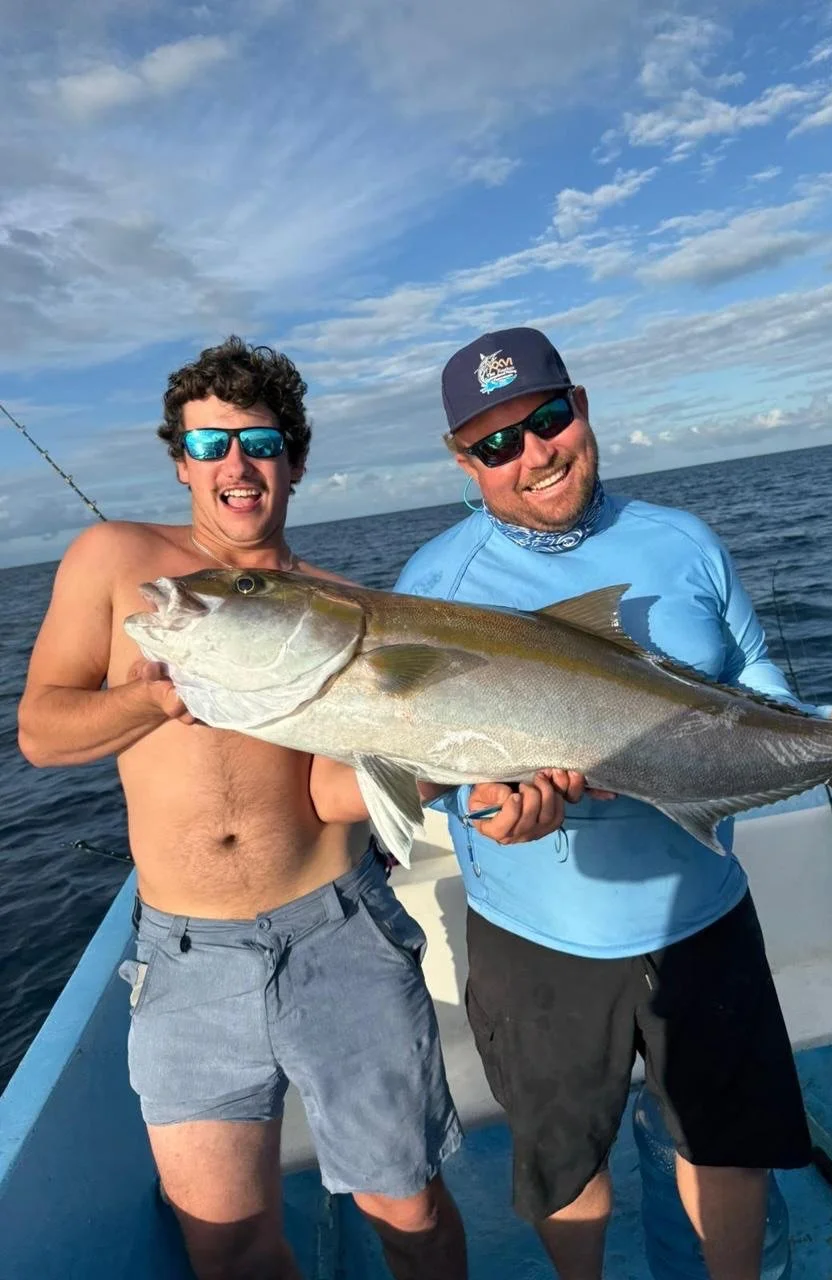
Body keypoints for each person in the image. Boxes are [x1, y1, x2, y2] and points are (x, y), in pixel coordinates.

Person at [16, 335, 572, 1280]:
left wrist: (453, 769)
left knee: (410, 1208)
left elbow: (332, 792)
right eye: (208, 446)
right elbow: (41, 730)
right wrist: (154, 697)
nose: (236, 465)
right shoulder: (119, 565)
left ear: (296, 460)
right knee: (227, 1243)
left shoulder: (345, 607)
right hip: (186, 959)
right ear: (180, 462)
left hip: (338, 931)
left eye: (260, 442)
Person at [389, 327, 832, 1280]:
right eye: (496, 444)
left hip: (700, 910)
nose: (534, 454)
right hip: (538, 935)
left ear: (582, 406)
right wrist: (486, 810)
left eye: (548, 420)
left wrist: (826, 734)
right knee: (564, 1164)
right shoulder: (434, 593)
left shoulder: (682, 541)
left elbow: (755, 688)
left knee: (723, 1145)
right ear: (463, 463)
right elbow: (442, 768)